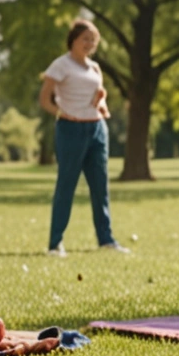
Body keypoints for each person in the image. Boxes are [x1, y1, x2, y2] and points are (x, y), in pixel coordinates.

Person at [38, 19, 129, 257]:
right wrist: (61, 112)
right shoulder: (61, 65)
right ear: (74, 40)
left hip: (97, 129)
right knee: (66, 185)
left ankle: (106, 239)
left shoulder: (95, 68)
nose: (89, 44)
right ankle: (55, 243)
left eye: (93, 40)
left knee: (100, 187)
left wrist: (101, 104)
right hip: (71, 129)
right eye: (85, 39)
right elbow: (45, 98)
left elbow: (98, 94)